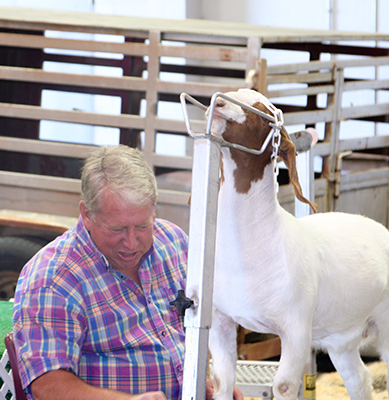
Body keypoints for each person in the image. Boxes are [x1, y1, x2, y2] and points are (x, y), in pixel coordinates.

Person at [12, 145, 243, 400]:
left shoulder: (173, 242)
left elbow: (192, 333)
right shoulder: (53, 278)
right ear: (87, 215)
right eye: (117, 229)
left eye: (143, 225)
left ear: (154, 209)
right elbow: (48, 386)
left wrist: (205, 384)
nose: (132, 242)